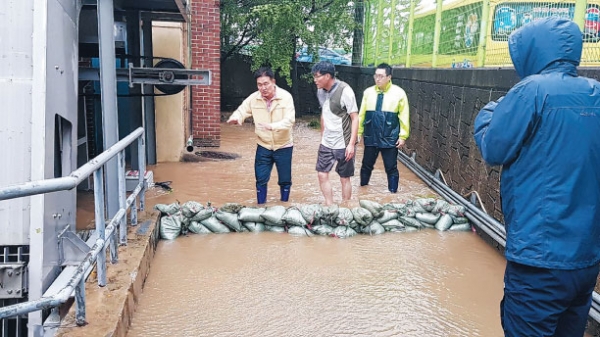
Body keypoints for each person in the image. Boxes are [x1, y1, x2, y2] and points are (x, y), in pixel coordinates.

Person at [473, 17, 600, 337]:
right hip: (586, 261)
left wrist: (488, 112)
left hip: (539, 261)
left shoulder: (531, 91)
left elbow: (493, 147)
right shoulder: (596, 93)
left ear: (532, 52)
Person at [227, 67, 295, 204]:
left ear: (273, 82)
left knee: (285, 180)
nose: (263, 88)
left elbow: (290, 120)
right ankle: (261, 206)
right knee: (261, 178)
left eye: (266, 84)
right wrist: (236, 118)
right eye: (259, 85)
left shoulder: (286, 97)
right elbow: (242, 109)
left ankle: (285, 205)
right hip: (263, 144)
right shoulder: (254, 98)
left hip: (284, 145)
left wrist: (273, 126)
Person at [357, 63, 410, 193]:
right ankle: (363, 190)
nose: (378, 79)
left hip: (389, 136)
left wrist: (403, 136)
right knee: (366, 166)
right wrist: (358, 132)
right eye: (376, 76)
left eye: (381, 76)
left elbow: (404, 116)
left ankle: (393, 193)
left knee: (391, 167)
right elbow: (362, 114)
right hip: (371, 135)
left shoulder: (399, 93)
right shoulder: (368, 93)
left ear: (389, 77)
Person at [311, 61, 359, 206]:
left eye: (317, 76)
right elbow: (324, 114)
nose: (314, 80)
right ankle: (330, 205)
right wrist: (322, 136)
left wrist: (351, 144)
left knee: (344, 177)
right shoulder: (320, 91)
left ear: (327, 76)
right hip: (327, 141)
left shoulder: (345, 90)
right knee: (321, 174)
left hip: (343, 142)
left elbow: (355, 117)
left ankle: (345, 206)